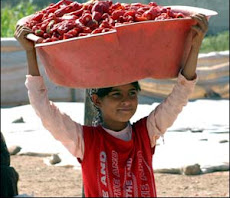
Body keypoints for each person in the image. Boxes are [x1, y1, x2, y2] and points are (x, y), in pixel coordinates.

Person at [14, 13, 208, 197]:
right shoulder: (85, 142)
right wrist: (31, 51)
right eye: (116, 94)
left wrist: (195, 44)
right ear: (97, 100)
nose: (126, 101)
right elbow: (43, 108)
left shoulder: (146, 133)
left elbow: (180, 94)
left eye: (132, 93)